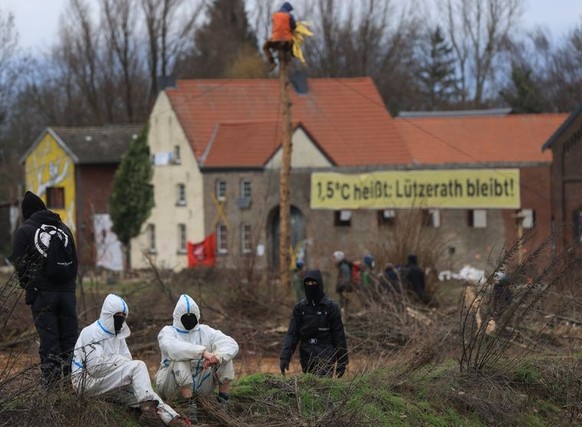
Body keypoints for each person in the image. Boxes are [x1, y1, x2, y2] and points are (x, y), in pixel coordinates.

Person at [71, 294, 190, 427]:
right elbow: (95, 369)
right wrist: (120, 362)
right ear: (108, 314)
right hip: (86, 383)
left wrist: (122, 367)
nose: (120, 319)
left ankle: (172, 420)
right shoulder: (91, 332)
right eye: (118, 315)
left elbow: (127, 360)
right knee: (138, 366)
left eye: (123, 316)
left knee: (145, 394)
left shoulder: (118, 335)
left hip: (108, 383)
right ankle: (151, 415)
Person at [11, 190, 79, 389]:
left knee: (49, 342)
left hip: (43, 294)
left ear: (28, 213)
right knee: (70, 340)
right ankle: (72, 386)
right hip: (68, 294)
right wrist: (68, 288)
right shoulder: (64, 228)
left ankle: (51, 390)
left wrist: (30, 289)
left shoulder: (25, 231)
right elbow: (75, 261)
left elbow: (20, 265)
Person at [156, 294, 239, 422]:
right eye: (185, 316)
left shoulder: (205, 331)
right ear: (178, 317)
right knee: (180, 359)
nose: (189, 319)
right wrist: (202, 353)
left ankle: (222, 403)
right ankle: (189, 407)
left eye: (192, 316)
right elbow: (173, 348)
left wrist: (216, 357)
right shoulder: (168, 332)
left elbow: (231, 344)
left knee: (225, 357)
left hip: (200, 384)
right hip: (172, 386)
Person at [280, 269, 348, 378]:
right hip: (306, 356)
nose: (310, 286)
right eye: (307, 283)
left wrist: (342, 361)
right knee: (309, 388)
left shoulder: (331, 307)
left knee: (324, 388)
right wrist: (285, 357)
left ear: (320, 284)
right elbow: (292, 334)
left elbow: (338, 335)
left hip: (326, 355)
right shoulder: (300, 308)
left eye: (313, 283)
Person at [262, 2, 296, 71]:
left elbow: (274, 26)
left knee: (265, 47)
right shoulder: (289, 15)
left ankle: (272, 62)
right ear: (288, 9)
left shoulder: (274, 15)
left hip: (275, 39)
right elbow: (294, 26)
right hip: (287, 41)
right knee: (290, 49)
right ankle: (291, 55)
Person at [333, 251, 353, 316]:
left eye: (335, 258)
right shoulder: (342, 266)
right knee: (344, 307)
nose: (334, 260)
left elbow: (346, 279)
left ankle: (345, 321)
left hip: (345, 290)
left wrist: (341, 287)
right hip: (344, 290)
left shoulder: (344, 267)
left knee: (345, 307)